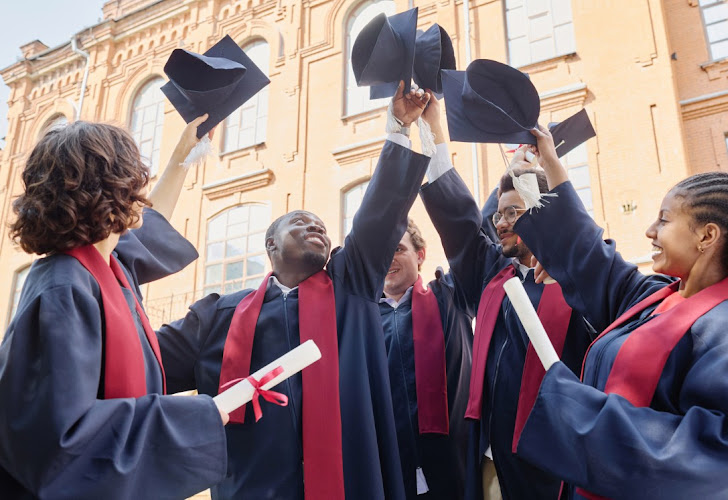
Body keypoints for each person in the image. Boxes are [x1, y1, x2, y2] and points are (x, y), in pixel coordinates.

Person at [156, 81, 432, 500]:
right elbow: (144, 360)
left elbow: (380, 212)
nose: (316, 226)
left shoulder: (350, 287)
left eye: (320, 223)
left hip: (348, 484)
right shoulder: (217, 316)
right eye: (299, 222)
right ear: (270, 245)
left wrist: (398, 126)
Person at [509, 127, 728, 499]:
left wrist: (578, 411)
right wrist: (540, 174)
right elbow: (589, 257)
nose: (650, 231)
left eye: (665, 220)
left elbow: (715, 457)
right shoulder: (653, 301)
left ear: (707, 236)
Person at [0, 115, 229, 499]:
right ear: (110, 189)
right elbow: (61, 440)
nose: (140, 189)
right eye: (133, 180)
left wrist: (180, 157)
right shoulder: (63, 288)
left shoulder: (108, 268)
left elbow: (152, 228)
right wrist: (199, 417)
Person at [418, 103, 595, 500]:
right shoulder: (496, 276)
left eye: (511, 214)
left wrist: (534, 169)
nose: (498, 224)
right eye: (496, 216)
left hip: (557, 457)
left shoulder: (582, 283)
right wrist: (433, 129)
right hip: (491, 454)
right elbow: (460, 221)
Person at [379, 215, 473, 499]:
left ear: (420, 255)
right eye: (380, 251)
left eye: (398, 249)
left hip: (452, 463)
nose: (388, 258)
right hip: (390, 469)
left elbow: (472, 240)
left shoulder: (448, 296)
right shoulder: (362, 319)